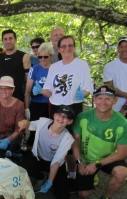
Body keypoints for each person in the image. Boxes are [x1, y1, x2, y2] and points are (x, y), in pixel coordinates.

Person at [72, 86, 127, 199]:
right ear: (94, 100)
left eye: (108, 98)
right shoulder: (83, 116)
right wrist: (79, 162)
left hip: (108, 158)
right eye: (99, 98)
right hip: (87, 159)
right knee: (83, 195)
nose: (103, 102)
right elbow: (74, 142)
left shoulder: (122, 122)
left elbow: (123, 153)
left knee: (122, 173)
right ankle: (93, 175)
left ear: (115, 101)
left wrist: (97, 164)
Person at [41, 35, 93, 180]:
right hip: (56, 106)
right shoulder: (54, 67)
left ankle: (72, 172)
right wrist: (39, 90)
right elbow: (48, 90)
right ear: (58, 49)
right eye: (63, 46)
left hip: (73, 105)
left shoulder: (81, 65)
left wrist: (82, 94)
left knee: (72, 140)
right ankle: (54, 171)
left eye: (70, 45)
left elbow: (87, 89)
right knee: (55, 137)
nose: (67, 48)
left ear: (74, 47)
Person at [17, 106, 75, 199]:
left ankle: (48, 179)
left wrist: (50, 181)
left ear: (69, 121)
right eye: (59, 115)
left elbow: (56, 161)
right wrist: (24, 122)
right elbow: (30, 125)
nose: (61, 119)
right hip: (38, 158)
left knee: (63, 198)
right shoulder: (43, 122)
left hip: (55, 164)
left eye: (65, 117)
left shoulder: (68, 138)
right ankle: (40, 176)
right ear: (54, 115)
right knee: (20, 170)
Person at [0, 29, 31, 103]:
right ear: (3, 42)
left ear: (15, 40)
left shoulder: (24, 56)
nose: (8, 41)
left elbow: (28, 79)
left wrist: (28, 96)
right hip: (1, 97)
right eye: (5, 39)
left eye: (10, 38)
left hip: (17, 97)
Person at [24, 42, 53, 146]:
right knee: (33, 131)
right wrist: (27, 107)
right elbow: (27, 91)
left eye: (45, 57)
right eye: (40, 57)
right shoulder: (34, 69)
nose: (42, 59)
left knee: (49, 131)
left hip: (50, 105)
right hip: (36, 104)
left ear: (51, 56)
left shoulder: (54, 69)